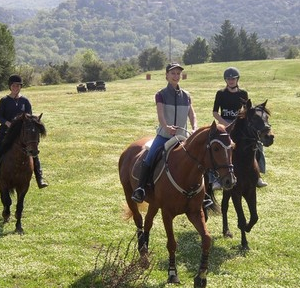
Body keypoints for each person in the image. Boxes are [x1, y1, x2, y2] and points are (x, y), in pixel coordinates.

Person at [131, 63, 198, 203]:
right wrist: (167, 127)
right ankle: (141, 189)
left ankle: (205, 195)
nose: (176, 76)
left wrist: (194, 127)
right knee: (149, 157)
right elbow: (160, 115)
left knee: (200, 159)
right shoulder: (160, 94)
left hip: (182, 137)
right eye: (173, 73)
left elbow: (192, 114)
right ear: (166, 76)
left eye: (178, 73)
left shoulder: (186, 95)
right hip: (164, 136)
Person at [212, 67, 267, 190]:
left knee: (257, 145)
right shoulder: (220, 93)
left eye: (233, 78)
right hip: (224, 124)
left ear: (237, 79)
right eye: (228, 79)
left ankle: (258, 175)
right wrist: (225, 123)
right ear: (225, 80)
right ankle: (215, 178)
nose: (231, 81)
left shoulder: (243, 93)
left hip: (240, 125)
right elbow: (215, 112)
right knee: (214, 147)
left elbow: (246, 111)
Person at [0, 74, 48, 189]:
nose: (16, 88)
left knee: (33, 151)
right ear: (10, 87)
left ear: (21, 87)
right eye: (14, 86)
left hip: (22, 134)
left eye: (18, 86)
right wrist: (7, 123)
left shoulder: (25, 101)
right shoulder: (4, 100)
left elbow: (29, 116)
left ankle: (39, 177)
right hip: (7, 132)